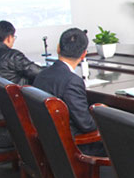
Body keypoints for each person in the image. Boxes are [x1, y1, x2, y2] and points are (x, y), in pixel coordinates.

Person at [33, 28, 105, 156]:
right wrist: (104, 116)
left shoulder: (42, 74)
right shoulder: (72, 81)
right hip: (74, 147)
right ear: (84, 54)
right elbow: (86, 125)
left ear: (58, 48)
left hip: (48, 144)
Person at [0, 20, 41, 85]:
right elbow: (36, 71)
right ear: (9, 38)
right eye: (13, 37)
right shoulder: (13, 56)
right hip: (14, 91)